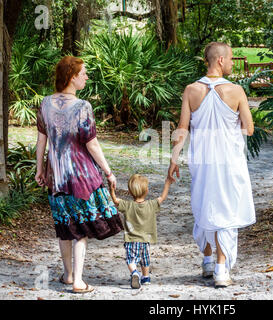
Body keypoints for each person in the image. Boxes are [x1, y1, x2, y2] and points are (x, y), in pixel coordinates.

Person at [167, 42, 256, 288]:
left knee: (206, 202)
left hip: (203, 160)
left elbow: (182, 129)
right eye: (230, 59)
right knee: (225, 208)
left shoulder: (191, 90)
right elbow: (248, 129)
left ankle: (207, 260)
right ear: (219, 60)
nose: (232, 63)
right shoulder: (236, 91)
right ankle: (220, 269)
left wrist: (174, 159)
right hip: (228, 161)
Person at [35, 56, 123, 294]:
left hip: (56, 177)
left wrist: (40, 170)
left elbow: (41, 140)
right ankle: (78, 282)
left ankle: (68, 275)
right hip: (81, 176)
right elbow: (92, 145)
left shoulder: (45, 103)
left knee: (64, 225)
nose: (86, 76)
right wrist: (109, 172)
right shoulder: (83, 107)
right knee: (81, 228)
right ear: (72, 77)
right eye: (83, 73)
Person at [109, 174, 172, 289]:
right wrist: (167, 183)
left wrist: (111, 189)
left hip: (131, 240)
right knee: (145, 259)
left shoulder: (127, 205)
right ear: (146, 191)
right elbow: (162, 197)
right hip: (145, 240)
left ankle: (134, 273)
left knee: (131, 259)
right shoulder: (151, 205)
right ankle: (146, 277)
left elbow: (115, 200)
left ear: (130, 191)